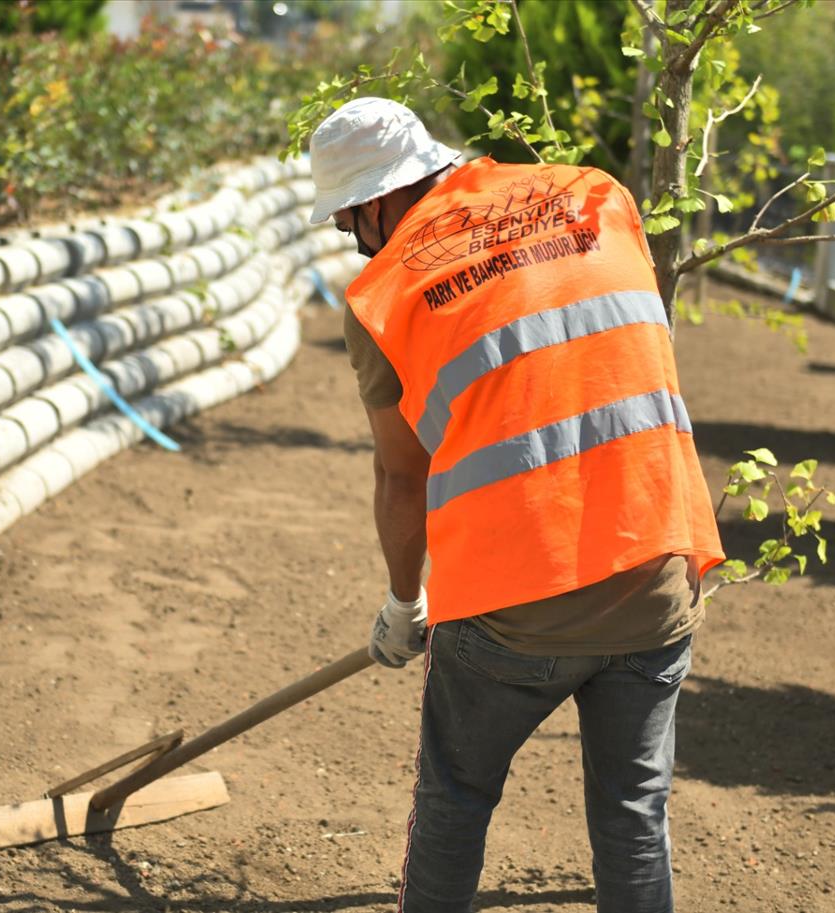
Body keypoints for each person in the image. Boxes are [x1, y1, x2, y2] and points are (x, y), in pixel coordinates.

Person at [306, 97, 724, 913]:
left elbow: (402, 475)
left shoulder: (385, 293)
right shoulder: (596, 195)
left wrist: (403, 601)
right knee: (634, 818)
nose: (353, 241)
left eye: (346, 224)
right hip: (655, 567)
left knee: (455, 799)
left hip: (510, 609)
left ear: (372, 202)